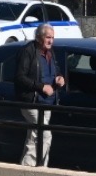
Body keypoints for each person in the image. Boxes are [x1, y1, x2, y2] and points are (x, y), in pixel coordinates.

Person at [15, 23, 66, 167]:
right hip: (31, 101)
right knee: (45, 134)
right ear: (38, 37)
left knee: (34, 136)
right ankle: (34, 168)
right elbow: (20, 77)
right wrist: (41, 87)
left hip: (46, 102)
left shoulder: (50, 52)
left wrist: (59, 78)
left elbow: (55, 70)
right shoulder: (28, 51)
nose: (51, 41)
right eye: (48, 37)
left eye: (52, 38)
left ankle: (34, 167)